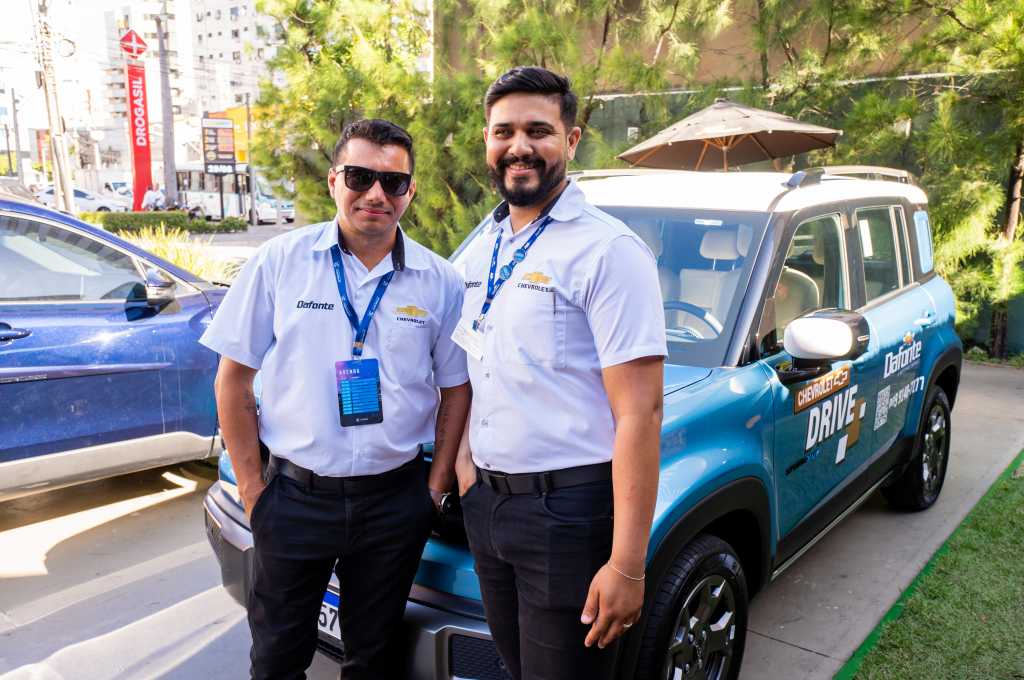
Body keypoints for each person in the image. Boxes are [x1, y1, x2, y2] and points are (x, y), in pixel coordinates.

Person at [200, 119, 472, 680]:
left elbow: (456, 388)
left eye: (393, 182)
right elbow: (233, 381)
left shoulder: (439, 280)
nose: (376, 193)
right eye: (360, 176)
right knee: (277, 659)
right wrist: (255, 493)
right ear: (333, 182)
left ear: (410, 192)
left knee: (373, 660)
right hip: (296, 499)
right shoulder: (280, 262)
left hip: (395, 503)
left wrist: (434, 490)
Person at [451, 66, 668, 680]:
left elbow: (641, 412)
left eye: (538, 130)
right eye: (503, 131)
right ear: (488, 142)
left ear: (571, 141)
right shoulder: (482, 246)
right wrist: (466, 463)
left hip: (567, 516)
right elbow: (470, 364)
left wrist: (627, 562)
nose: (518, 146)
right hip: (488, 508)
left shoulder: (608, 250)